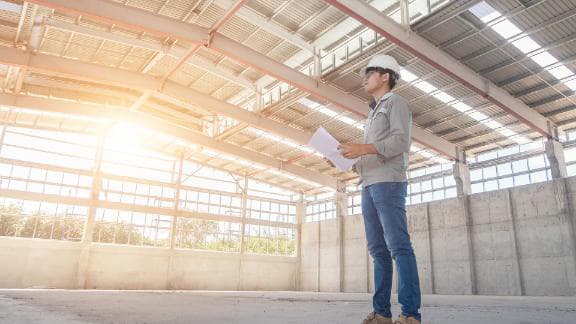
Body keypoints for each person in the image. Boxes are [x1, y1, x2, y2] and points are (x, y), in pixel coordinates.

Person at [338, 54, 421, 324]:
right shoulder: (372, 113)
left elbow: (400, 142)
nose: (364, 78)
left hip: (389, 182)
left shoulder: (396, 103)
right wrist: (345, 158)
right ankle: (382, 313)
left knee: (398, 246)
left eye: (369, 72)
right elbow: (370, 155)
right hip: (369, 183)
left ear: (385, 76)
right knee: (377, 250)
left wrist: (362, 148)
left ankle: (410, 314)